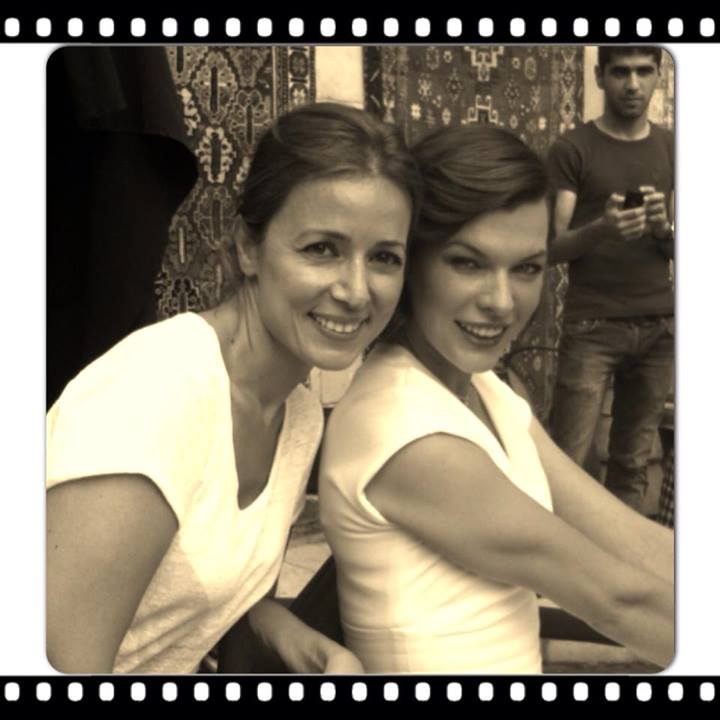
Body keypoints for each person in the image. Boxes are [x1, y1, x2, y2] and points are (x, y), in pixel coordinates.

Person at [46, 102, 420, 674]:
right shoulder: (156, 395)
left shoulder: (298, 414)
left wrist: (302, 642)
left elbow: (204, 592)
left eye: (385, 258)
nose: (356, 290)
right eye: (322, 248)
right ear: (248, 247)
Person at [319, 124, 674, 673]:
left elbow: (621, 533)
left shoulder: (483, 386)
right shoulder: (404, 427)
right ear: (410, 262)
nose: (502, 302)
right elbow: (619, 599)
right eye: (468, 262)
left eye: (527, 268)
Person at [547, 46, 674, 513]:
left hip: (660, 326)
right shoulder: (572, 149)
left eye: (644, 71)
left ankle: (622, 555)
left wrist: (663, 229)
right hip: (593, 327)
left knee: (633, 464)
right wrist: (602, 228)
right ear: (600, 76)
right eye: (621, 72)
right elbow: (550, 249)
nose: (633, 84)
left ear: (658, 74)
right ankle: (560, 556)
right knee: (568, 460)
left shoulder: (672, 146)